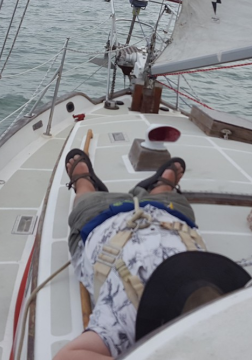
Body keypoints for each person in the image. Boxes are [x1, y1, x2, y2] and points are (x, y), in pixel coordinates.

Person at [54, 150, 203, 360]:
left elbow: (68, 357)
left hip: (101, 220)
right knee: (173, 200)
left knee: (86, 201)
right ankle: (160, 187)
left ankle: (85, 183)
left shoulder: (127, 324)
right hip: (168, 215)